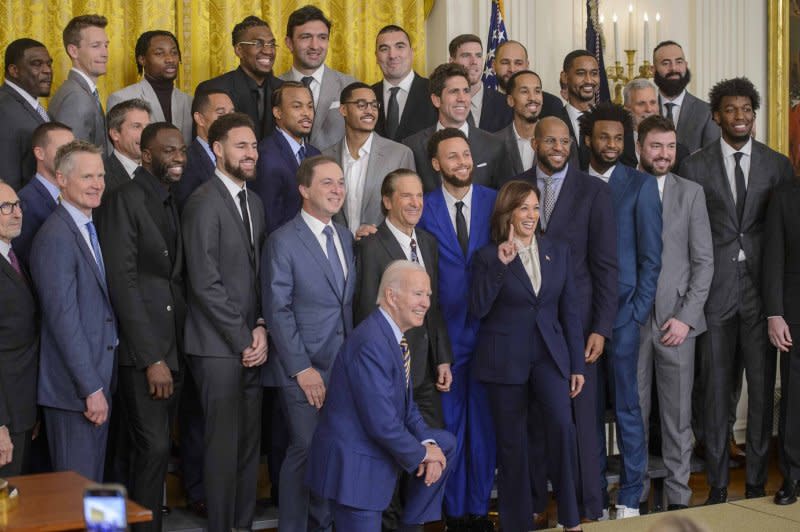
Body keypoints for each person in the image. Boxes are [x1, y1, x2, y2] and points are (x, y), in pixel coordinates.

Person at [679, 77, 792, 504]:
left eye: (746, 109)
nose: (740, 116)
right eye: (731, 109)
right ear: (716, 115)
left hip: (763, 296)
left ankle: (760, 482)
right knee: (715, 393)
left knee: (762, 394)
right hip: (715, 294)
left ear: (754, 115)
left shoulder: (777, 165)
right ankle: (720, 485)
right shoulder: (694, 165)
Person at [514, 116, 617, 524]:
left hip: (579, 328)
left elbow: (606, 266)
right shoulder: (515, 184)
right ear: (535, 142)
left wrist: (602, 328)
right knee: (536, 420)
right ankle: (539, 504)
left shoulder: (593, 191)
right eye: (550, 140)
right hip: (527, 329)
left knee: (583, 420)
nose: (558, 147)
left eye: (564, 141)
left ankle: (589, 507)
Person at [306, 260, 456, 532]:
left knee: (445, 443)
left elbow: (408, 409)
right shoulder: (371, 344)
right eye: (418, 294)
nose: (426, 303)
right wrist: (424, 454)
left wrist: (429, 445)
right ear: (391, 295)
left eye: (428, 296)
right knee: (433, 453)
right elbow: (382, 424)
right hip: (355, 469)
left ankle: (411, 523)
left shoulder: (396, 337)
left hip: (374, 451)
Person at [471, 180, 584, 531]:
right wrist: (502, 265)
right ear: (507, 213)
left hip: (550, 358)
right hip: (505, 362)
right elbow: (478, 308)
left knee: (563, 430)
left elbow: (570, 312)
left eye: (535, 208)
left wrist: (576, 365)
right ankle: (517, 523)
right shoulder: (488, 256)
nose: (531, 215)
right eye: (523, 208)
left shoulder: (557, 250)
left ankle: (571, 519)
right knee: (512, 445)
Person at [96, 122, 187, 532]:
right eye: (168, 151)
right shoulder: (124, 200)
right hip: (143, 352)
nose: (178, 157)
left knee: (145, 451)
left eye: (181, 150)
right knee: (147, 449)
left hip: (172, 347)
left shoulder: (171, 199)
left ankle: (124, 527)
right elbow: (123, 283)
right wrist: (152, 357)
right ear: (145, 155)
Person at [181, 112, 268, 531]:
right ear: (217, 149)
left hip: (252, 342)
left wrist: (262, 327)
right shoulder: (202, 202)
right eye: (241, 146)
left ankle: (243, 524)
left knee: (249, 447)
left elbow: (260, 274)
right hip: (216, 347)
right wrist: (242, 337)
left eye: (253, 146)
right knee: (222, 446)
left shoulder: (255, 201)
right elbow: (204, 282)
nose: (250, 153)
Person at [354, 169, 453, 530]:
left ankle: (416, 522)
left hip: (425, 370)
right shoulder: (369, 244)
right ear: (387, 201)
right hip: (390, 373)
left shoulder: (426, 243)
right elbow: (367, 309)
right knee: (394, 455)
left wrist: (443, 356)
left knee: (437, 447)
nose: (415, 203)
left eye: (419, 196)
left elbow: (434, 305)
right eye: (406, 196)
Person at [262, 154, 355, 532]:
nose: (337, 190)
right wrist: (302, 369)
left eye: (341, 183)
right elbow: (278, 310)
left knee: (331, 451)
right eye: (327, 183)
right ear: (304, 190)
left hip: (342, 367)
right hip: (302, 368)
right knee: (304, 449)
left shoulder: (346, 237)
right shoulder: (282, 241)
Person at [580, 102, 662, 518]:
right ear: (588, 139)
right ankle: (594, 496)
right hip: (580, 320)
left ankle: (631, 497)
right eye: (604, 137)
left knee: (630, 410)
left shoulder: (640, 185)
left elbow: (652, 258)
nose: (611, 144)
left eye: (618, 138)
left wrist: (637, 312)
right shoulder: (573, 183)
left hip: (626, 318)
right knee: (587, 413)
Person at [417, 128, 497, 532]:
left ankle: (479, 509)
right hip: (443, 337)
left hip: (488, 333)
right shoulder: (424, 206)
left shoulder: (496, 202)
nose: (462, 162)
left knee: (483, 427)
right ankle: (451, 510)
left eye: (466, 155)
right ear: (436, 164)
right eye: (452, 157)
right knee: (447, 427)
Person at [635, 115, 714, 511]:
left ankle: (680, 496)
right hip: (633, 323)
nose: (664, 154)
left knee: (677, 418)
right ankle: (634, 495)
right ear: (639, 148)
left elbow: (704, 262)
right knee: (635, 413)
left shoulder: (691, 193)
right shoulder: (620, 188)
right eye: (656, 146)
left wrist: (685, 317)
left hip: (677, 323)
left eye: (670, 147)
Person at [29, 140, 116, 482]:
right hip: (75, 391)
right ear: (62, 181)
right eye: (87, 177)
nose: (97, 184)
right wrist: (90, 388)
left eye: (101, 176)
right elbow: (63, 321)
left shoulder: (88, 228)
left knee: (95, 487)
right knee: (76, 494)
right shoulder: (56, 236)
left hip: (98, 382)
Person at [323, 82, 415, 236]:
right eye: (361, 105)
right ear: (343, 110)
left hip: (383, 251)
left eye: (374, 105)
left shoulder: (400, 154)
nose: (369, 111)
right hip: (337, 249)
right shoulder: (325, 157)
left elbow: (409, 210)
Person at [403, 63, 509, 193]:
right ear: (436, 100)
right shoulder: (412, 146)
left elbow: (503, 199)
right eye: (454, 92)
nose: (462, 99)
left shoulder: (494, 145)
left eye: (466, 91)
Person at [763, 172, 800, 506]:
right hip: (795, 313)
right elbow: (772, 257)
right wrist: (774, 313)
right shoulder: (783, 195)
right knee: (794, 397)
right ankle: (793, 475)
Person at [0, 181, 38, 476]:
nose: (16, 214)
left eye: (17, 205)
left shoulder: (13, 256)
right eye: (5, 207)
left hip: (22, 408)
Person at [279, 5, 356, 150]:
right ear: (289, 43)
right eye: (306, 37)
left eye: (322, 37)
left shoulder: (350, 85)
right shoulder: (275, 86)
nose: (315, 46)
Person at [195, 16, 283, 141]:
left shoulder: (283, 89)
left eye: (272, 44)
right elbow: (204, 144)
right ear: (239, 50)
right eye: (258, 44)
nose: (268, 51)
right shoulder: (213, 89)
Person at [250, 81, 321, 234]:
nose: (306, 113)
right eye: (297, 106)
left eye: (310, 106)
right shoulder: (265, 155)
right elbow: (269, 220)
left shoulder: (315, 154)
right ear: (277, 112)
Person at [107, 30, 192, 145]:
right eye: (159, 53)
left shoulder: (189, 102)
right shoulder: (121, 98)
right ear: (142, 59)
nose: (170, 59)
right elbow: (114, 152)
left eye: (174, 53)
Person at [13, 122, 74, 267]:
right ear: (39, 153)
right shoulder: (25, 203)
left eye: (73, 149)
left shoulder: (75, 195)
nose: (70, 156)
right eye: (63, 149)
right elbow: (31, 264)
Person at [49, 15, 109, 149]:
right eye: (96, 46)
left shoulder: (81, 91)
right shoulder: (76, 97)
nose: (105, 53)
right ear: (73, 51)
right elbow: (74, 161)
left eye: (106, 45)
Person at [0, 38, 53, 190]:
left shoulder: (32, 104)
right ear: (14, 71)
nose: (47, 70)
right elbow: (7, 179)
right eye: (37, 64)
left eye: (49, 64)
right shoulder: (4, 109)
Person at [652, 40, 719, 153]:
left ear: (686, 65)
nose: (673, 68)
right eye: (665, 63)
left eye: (679, 62)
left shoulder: (707, 112)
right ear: (653, 70)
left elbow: (712, 159)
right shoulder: (644, 109)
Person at [172, 89, 234, 210]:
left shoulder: (237, 155)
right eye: (221, 114)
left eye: (232, 113)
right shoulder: (186, 162)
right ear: (200, 119)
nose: (230, 120)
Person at [372, 25, 436, 141]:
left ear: (411, 52)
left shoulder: (435, 91)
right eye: (384, 49)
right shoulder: (368, 95)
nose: (392, 55)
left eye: (400, 47)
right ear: (376, 56)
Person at [447, 34, 511, 133]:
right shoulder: (440, 103)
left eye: (478, 56)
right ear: (452, 62)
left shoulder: (506, 105)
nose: (474, 61)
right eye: (466, 55)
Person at [623, 78, 690, 169]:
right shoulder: (618, 148)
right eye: (641, 104)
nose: (649, 109)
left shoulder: (680, 153)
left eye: (653, 102)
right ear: (627, 109)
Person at [492, 39, 563, 116]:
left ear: (527, 65)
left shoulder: (551, 104)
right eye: (505, 62)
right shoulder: (483, 102)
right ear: (493, 65)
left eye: (518, 63)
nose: (512, 69)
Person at [494, 70, 544, 176]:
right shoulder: (494, 143)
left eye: (537, 91)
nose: (532, 98)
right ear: (510, 100)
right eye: (524, 91)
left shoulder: (560, 143)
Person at [102, 99, 152, 192]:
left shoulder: (157, 171)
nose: (146, 133)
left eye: (148, 127)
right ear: (115, 134)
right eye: (136, 126)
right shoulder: (101, 177)